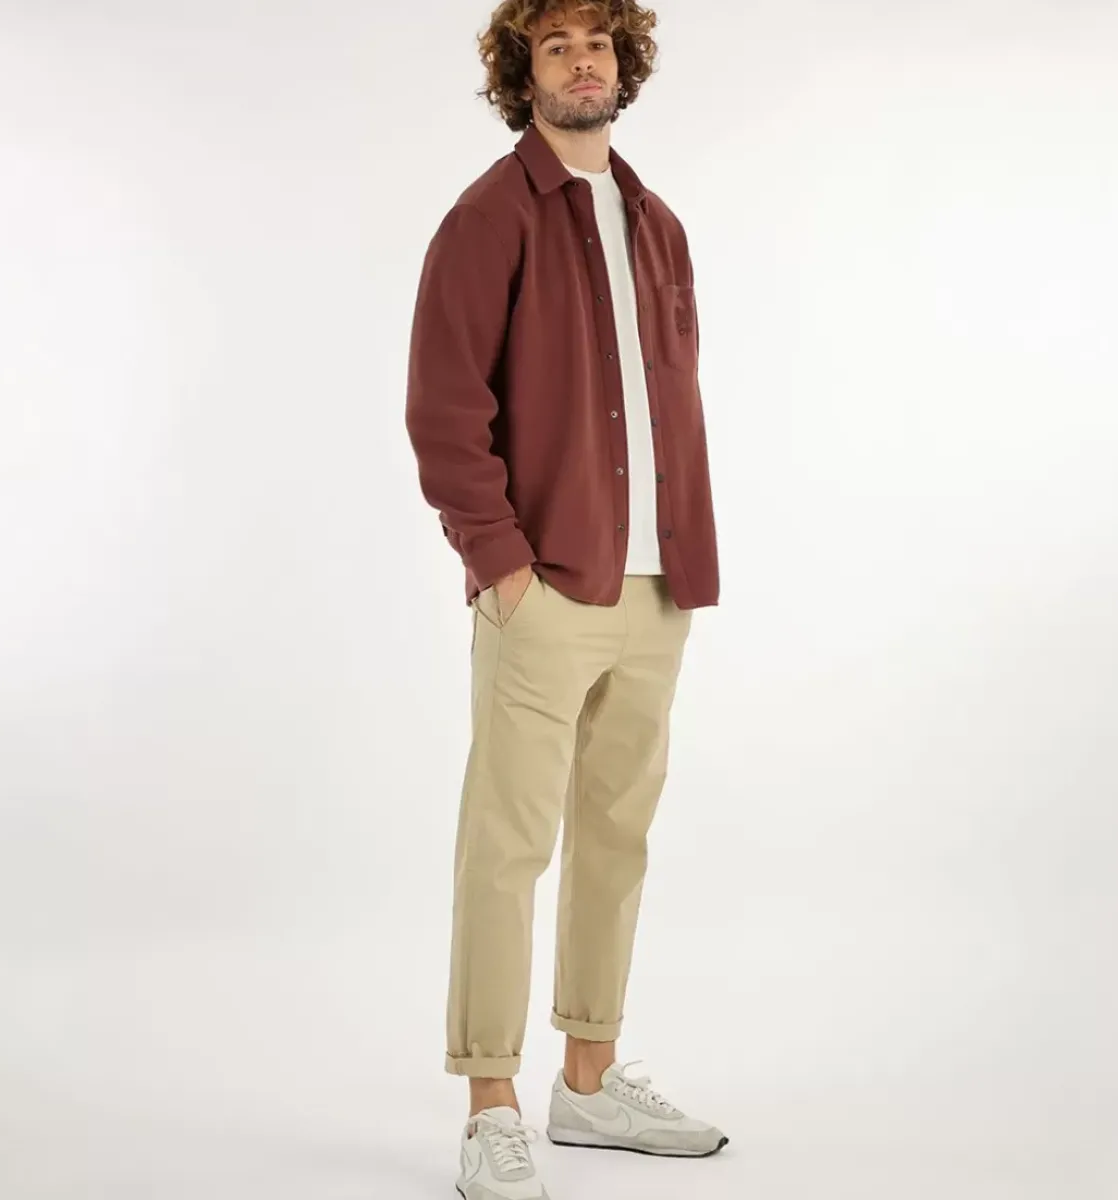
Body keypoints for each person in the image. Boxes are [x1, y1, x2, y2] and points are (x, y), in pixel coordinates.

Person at [405, 2, 723, 1195]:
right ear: (521, 72)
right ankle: (491, 1105)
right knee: (507, 847)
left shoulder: (658, 224)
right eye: (555, 44)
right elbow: (444, 410)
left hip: (657, 585)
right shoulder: (490, 218)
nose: (583, 59)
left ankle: (588, 1082)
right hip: (541, 588)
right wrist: (501, 565)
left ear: (623, 62)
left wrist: (680, 563)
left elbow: (671, 404)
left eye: (599, 41)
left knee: (617, 839)